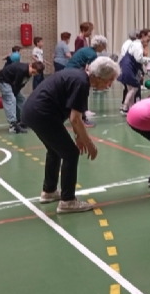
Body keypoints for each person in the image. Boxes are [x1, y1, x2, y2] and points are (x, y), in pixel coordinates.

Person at [21, 57, 119, 214]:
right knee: (71, 154)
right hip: (42, 114)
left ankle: (49, 191)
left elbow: (74, 115)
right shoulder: (81, 83)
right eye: (110, 80)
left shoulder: (79, 77)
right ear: (99, 77)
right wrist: (89, 143)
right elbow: (75, 119)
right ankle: (67, 201)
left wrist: (79, 137)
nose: (110, 85)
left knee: (55, 151)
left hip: (32, 112)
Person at [0, 61, 44, 134]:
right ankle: (13, 126)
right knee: (11, 99)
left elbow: (20, 85)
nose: (33, 74)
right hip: (2, 81)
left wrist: (15, 94)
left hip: (11, 83)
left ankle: (21, 120)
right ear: (30, 65)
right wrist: (10, 97)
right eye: (33, 72)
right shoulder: (22, 70)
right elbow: (16, 85)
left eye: (35, 74)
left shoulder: (28, 73)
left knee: (21, 100)